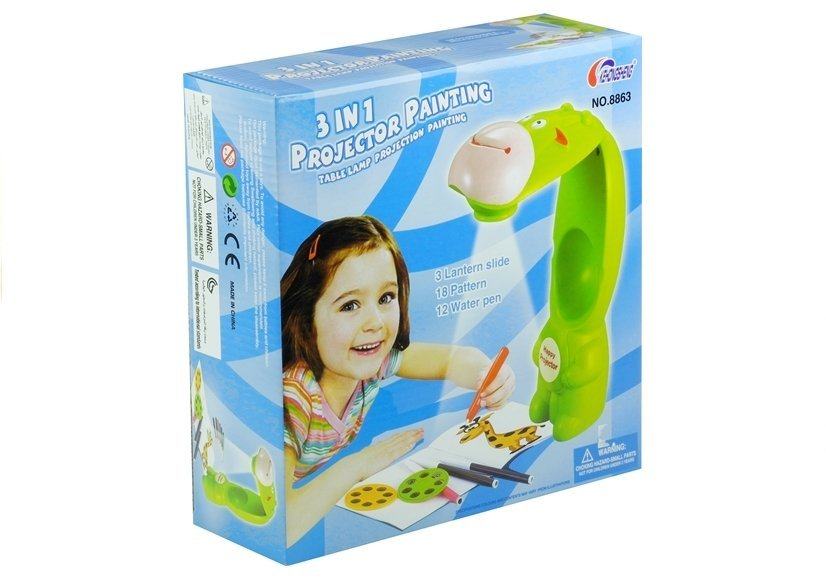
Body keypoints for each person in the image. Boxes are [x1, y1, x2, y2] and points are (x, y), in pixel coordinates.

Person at [281, 216, 515, 546]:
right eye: (350, 305)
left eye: (386, 298)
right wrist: (360, 465)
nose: (375, 322)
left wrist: (488, 375)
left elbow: (451, 360)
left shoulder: (372, 360)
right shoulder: (295, 399)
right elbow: (281, 524)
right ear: (307, 320)